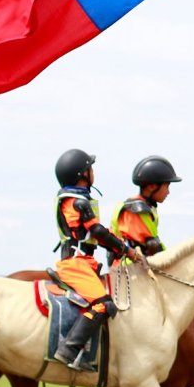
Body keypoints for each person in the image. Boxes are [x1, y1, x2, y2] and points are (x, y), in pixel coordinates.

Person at [52, 149, 141, 371]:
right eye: (90, 168)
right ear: (83, 174)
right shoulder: (76, 202)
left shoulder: (78, 200)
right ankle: (69, 350)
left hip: (85, 263)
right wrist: (125, 250)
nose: (93, 172)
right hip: (75, 264)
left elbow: (96, 235)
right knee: (104, 304)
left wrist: (116, 244)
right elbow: (97, 232)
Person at [112, 155, 182, 257]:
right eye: (167, 186)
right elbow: (151, 245)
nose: (168, 192)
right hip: (128, 266)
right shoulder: (135, 209)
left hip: (138, 263)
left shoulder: (144, 206)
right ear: (152, 186)